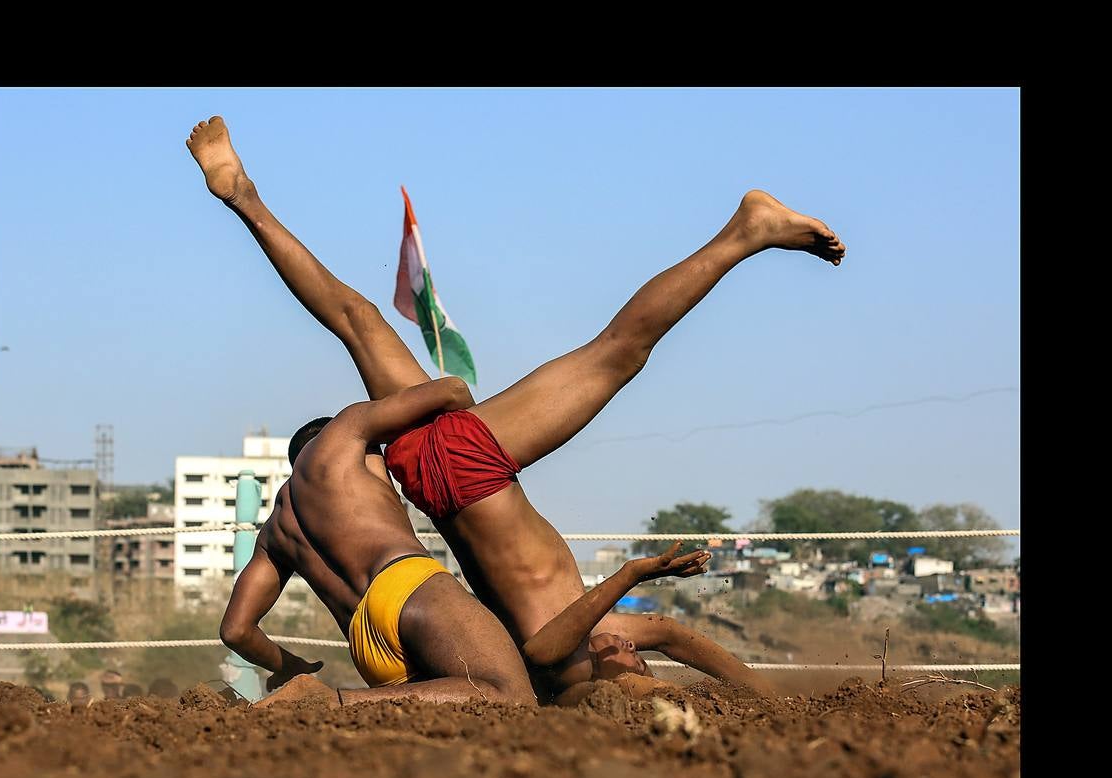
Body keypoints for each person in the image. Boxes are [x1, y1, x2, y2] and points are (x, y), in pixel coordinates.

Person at [189, 116, 845, 697]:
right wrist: (769, 698)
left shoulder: (570, 662)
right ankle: (243, 197)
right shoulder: (596, 638)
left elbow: (550, 648)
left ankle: (746, 232)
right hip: (442, 481)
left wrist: (634, 575)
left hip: (462, 480)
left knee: (616, 351)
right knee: (358, 318)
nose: (633, 658)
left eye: (632, 670)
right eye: (642, 666)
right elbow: (676, 636)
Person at [259, 378, 536, 707]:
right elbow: (453, 390)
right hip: (404, 583)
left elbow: (235, 630)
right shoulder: (344, 432)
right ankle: (326, 701)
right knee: (512, 695)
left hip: (364, 641)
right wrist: (471, 454)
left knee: (445, 711)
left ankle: (328, 700)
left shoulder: (275, 529)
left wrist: (289, 665)